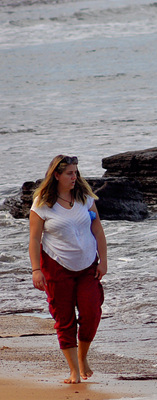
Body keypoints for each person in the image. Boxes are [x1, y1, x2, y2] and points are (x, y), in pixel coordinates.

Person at [28, 155, 108, 384]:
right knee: (64, 319)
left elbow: (98, 229)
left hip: (87, 267)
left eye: (76, 172)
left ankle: (83, 359)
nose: (75, 177)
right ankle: (74, 370)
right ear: (56, 175)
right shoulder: (42, 203)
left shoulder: (84, 197)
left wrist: (103, 261)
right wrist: (36, 270)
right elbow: (34, 240)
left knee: (91, 312)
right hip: (56, 267)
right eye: (70, 173)